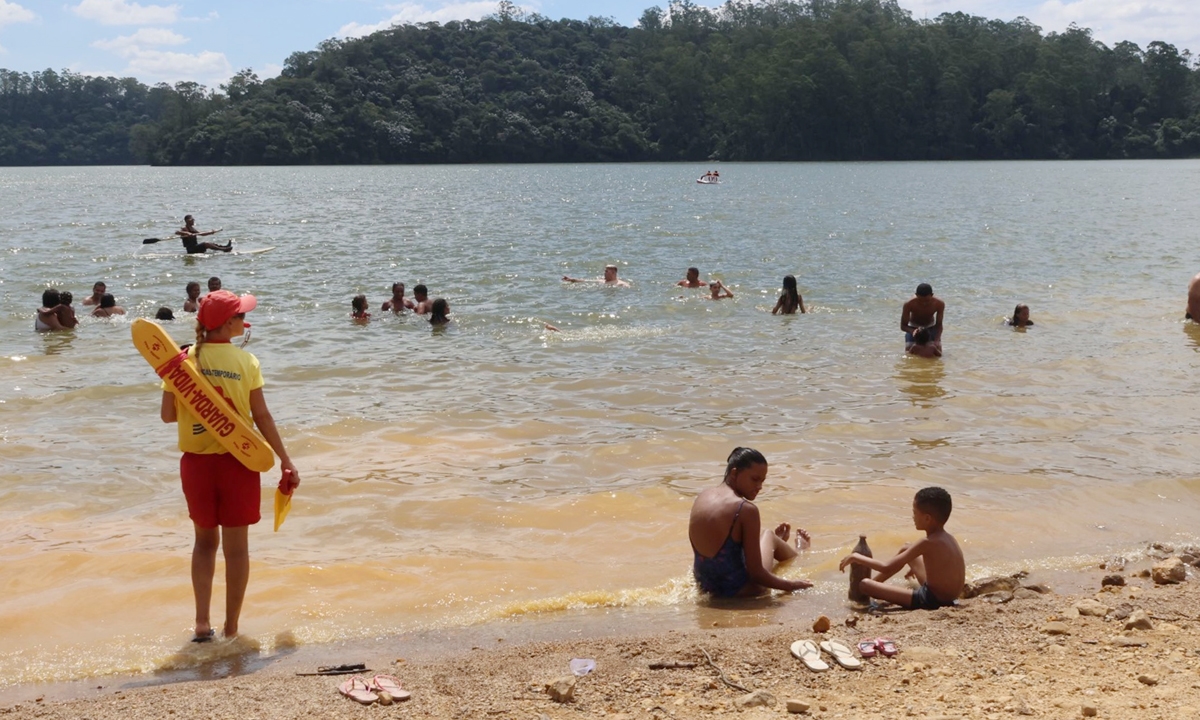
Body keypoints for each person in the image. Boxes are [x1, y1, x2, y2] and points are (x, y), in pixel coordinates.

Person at [159, 290, 300, 641]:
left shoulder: (181, 361)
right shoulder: (246, 362)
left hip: (197, 466)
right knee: (237, 550)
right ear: (227, 324)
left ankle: (202, 625)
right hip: (241, 461)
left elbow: (166, 416)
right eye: (240, 315)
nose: (244, 319)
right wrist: (284, 459)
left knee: (204, 544)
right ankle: (232, 627)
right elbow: (262, 416)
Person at [688, 447, 813, 597]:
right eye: (755, 479)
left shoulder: (702, 497)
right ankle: (798, 551)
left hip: (707, 589)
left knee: (750, 546)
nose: (759, 487)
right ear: (734, 473)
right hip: (743, 591)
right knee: (769, 535)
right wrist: (792, 585)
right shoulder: (746, 510)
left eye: (762, 481)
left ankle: (776, 547)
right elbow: (756, 574)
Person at [838, 486, 965, 610]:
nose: (913, 517)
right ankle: (877, 583)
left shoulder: (927, 542)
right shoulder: (948, 538)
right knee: (906, 548)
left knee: (864, 584)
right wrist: (916, 566)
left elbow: (886, 566)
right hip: (948, 595)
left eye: (915, 513)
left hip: (932, 600)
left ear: (927, 518)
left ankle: (869, 589)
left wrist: (856, 557)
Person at [901, 283, 944, 348]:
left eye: (927, 301)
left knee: (937, 349)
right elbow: (903, 326)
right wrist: (913, 331)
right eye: (920, 301)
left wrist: (937, 339)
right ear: (916, 295)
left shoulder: (939, 304)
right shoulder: (909, 304)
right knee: (909, 351)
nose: (924, 303)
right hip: (914, 327)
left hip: (931, 327)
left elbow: (939, 325)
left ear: (932, 295)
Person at [562, 264, 630, 287]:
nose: (604, 273)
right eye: (604, 271)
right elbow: (585, 281)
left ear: (613, 272)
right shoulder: (601, 281)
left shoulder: (621, 284)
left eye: (606, 271)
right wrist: (571, 279)